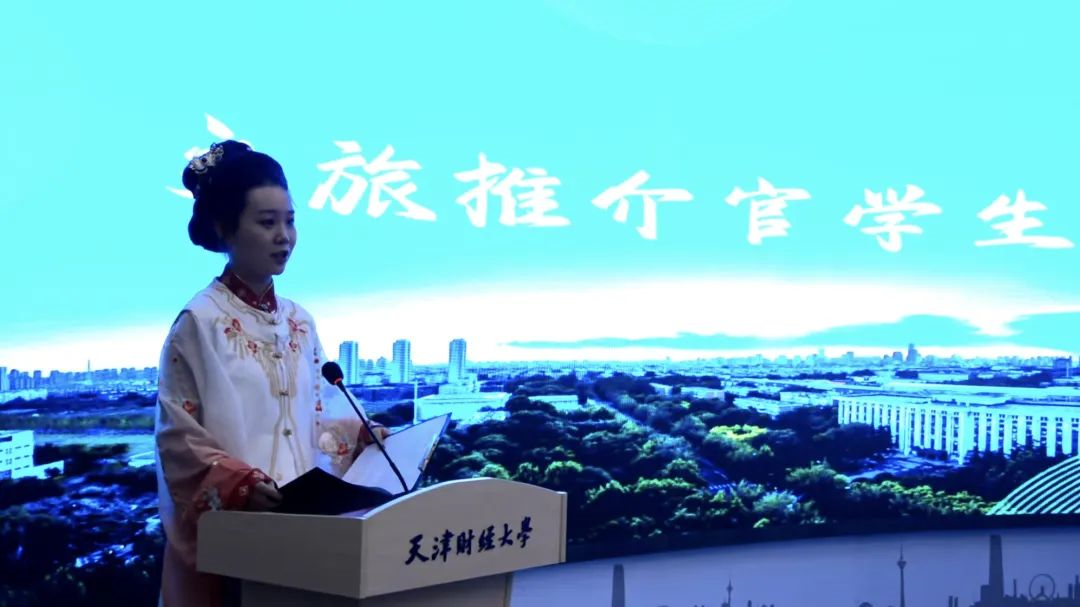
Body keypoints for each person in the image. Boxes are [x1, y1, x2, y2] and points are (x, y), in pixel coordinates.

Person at [154, 140, 389, 607]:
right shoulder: (199, 322)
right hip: (242, 540)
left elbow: (318, 414)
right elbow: (178, 439)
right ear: (225, 228)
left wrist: (362, 434)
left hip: (310, 537)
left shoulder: (301, 321)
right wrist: (239, 485)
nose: (284, 236)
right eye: (267, 223)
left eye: (290, 221)